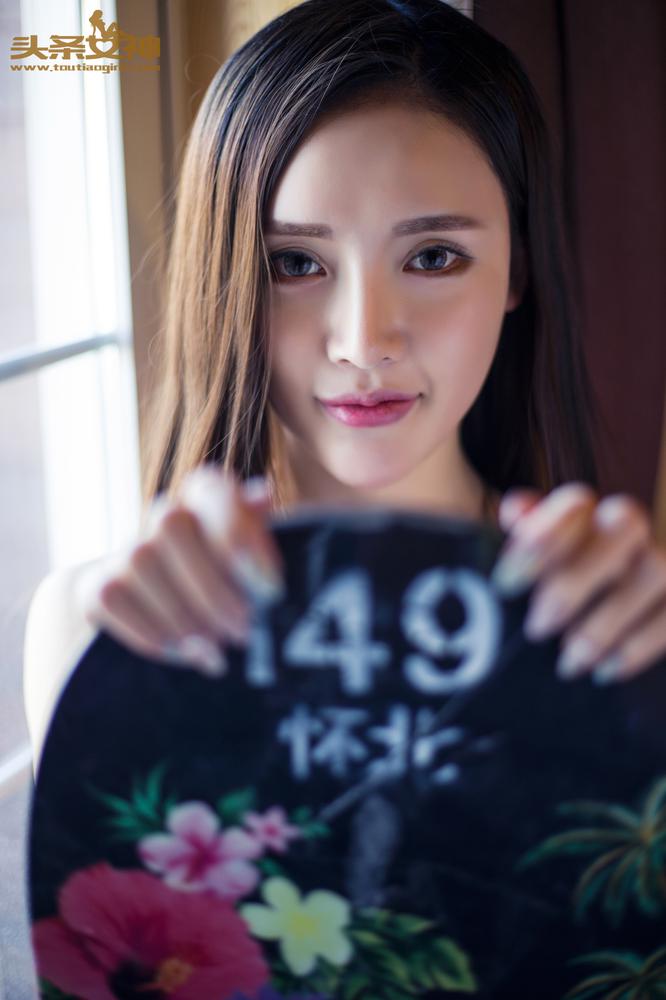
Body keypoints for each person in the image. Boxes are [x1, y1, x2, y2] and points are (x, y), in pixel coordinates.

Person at [23, 0, 666, 763]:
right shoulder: (91, 634)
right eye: (296, 263)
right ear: (225, 281)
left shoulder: (623, 634)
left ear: (517, 270)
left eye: (433, 257)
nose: (364, 343)